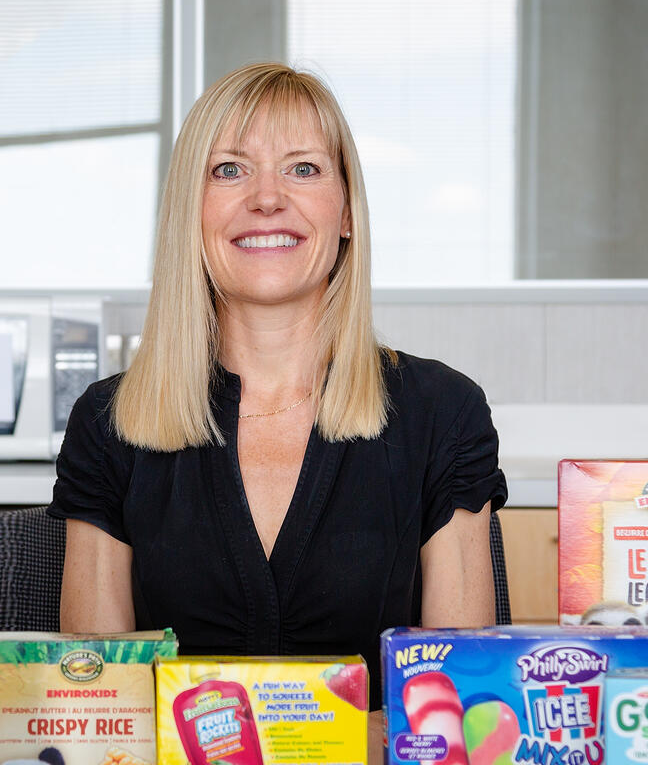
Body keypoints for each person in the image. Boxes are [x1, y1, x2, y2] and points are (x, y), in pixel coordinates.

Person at [50, 62, 506, 703]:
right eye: (229, 169)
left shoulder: (443, 412)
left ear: (346, 211)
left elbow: (452, 709)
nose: (266, 198)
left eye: (304, 168)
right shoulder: (109, 421)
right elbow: (101, 710)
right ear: (192, 214)